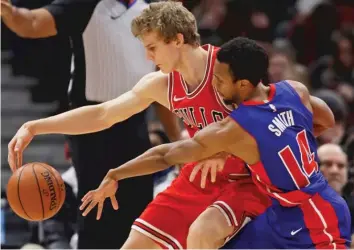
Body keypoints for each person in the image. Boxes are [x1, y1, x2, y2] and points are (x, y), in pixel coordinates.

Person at [7, 2, 271, 249]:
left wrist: (226, 151)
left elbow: (273, 116)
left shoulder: (227, 68)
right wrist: (36, 126)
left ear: (178, 40)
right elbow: (103, 114)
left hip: (248, 180)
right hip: (197, 179)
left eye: (152, 47)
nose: (147, 56)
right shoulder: (161, 83)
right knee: (135, 244)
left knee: (202, 234)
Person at [81, 37, 351, 248]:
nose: (215, 86)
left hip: (317, 212)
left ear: (243, 84)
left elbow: (166, 156)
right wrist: (281, 142)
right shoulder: (296, 90)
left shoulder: (236, 127)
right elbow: (325, 120)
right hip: (280, 212)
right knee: (205, 238)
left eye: (220, 80)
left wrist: (117, 172)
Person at [1, 0, 169, 248]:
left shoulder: (151, 11)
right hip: (91, 127)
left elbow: (161, 84)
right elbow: (33, 22)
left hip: (135, 123)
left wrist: (177, 135)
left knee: (140, 217)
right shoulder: (85, 5)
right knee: (96, 217)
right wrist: (11, 12)